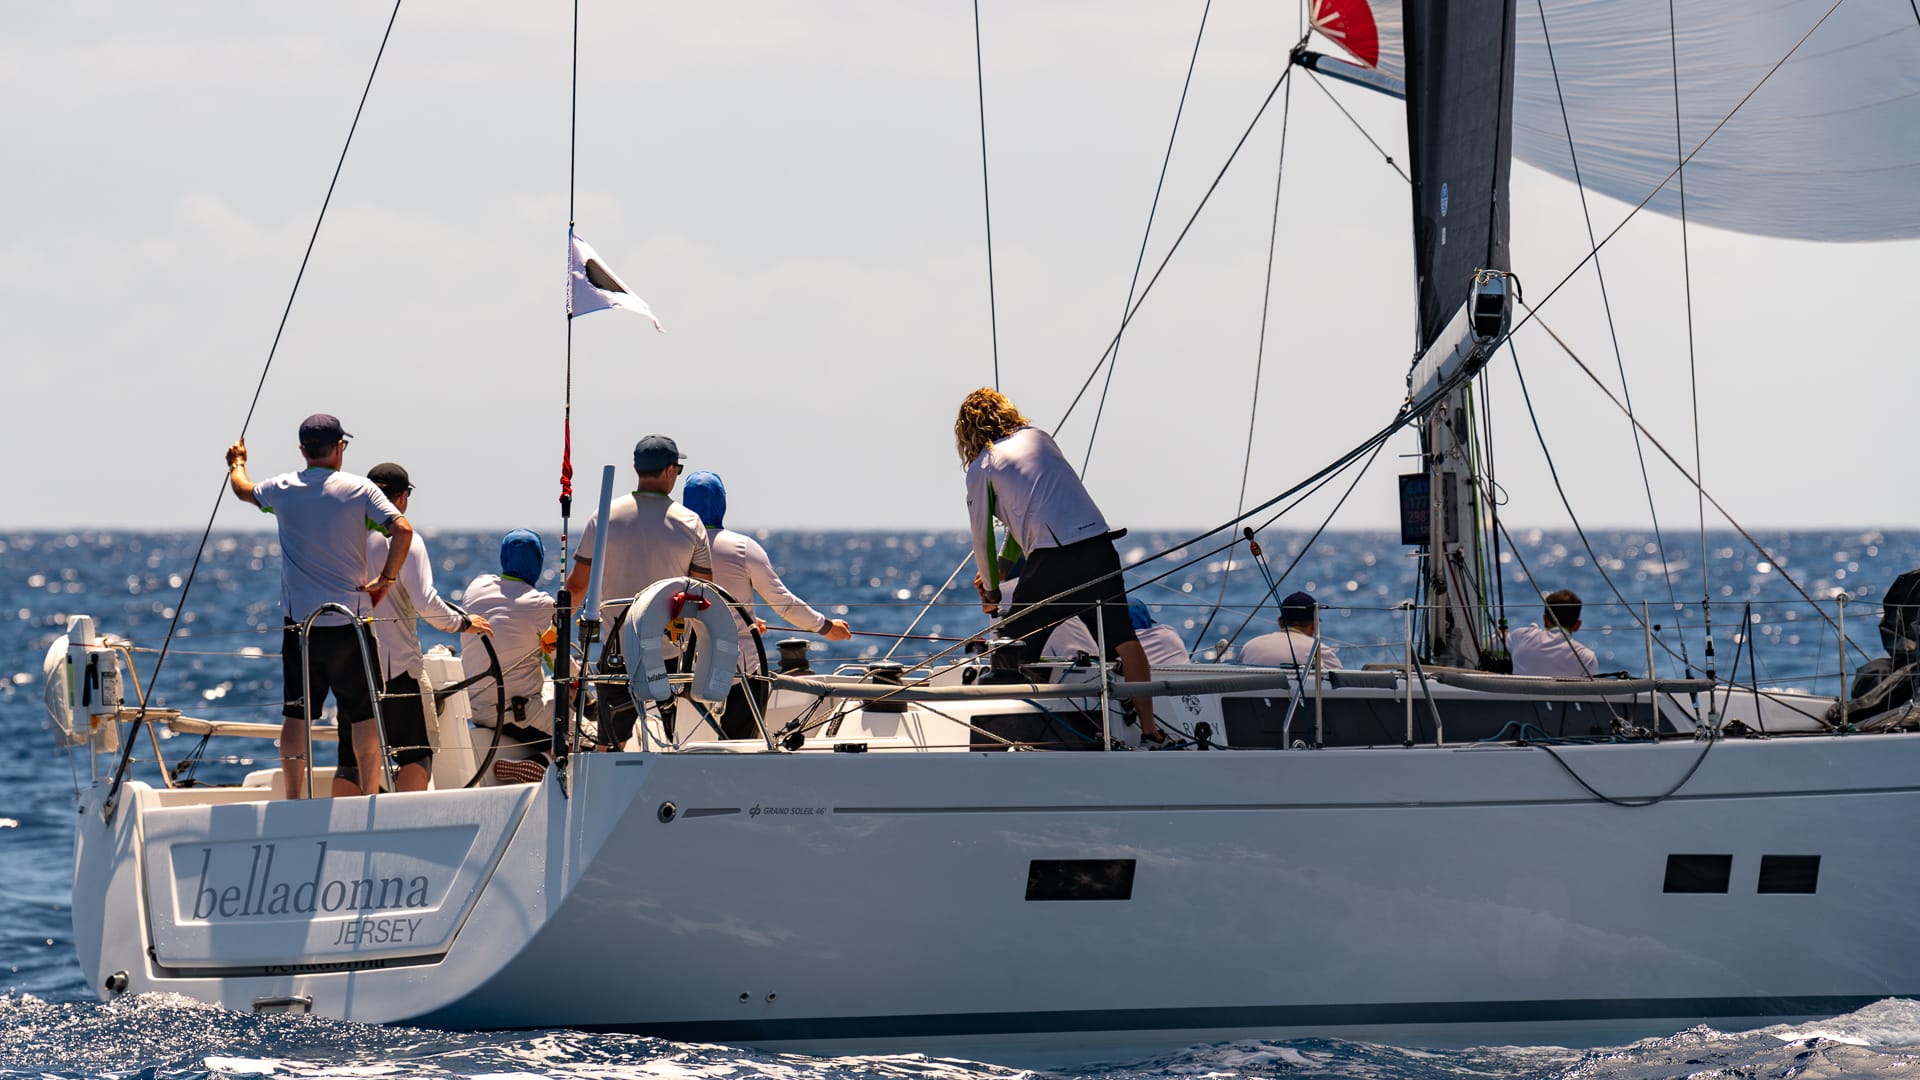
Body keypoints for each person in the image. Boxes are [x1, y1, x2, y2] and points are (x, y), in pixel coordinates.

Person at [955, 387, 1165, 743]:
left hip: (1053, 559)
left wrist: (991, 591)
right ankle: (1151, 731)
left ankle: (1006, 740)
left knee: (1010, 648)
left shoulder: (982, 466)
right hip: (1098, 545)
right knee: (1123, 640)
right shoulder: (1039, 438)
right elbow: (1037, 510)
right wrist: (1005, 565)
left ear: (968, 431)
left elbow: (982, 538)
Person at [224, 414, 413, 799]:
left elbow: (243, 490)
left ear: (302, 450)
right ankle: (369, 796)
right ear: (339, 447)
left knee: (296, 714)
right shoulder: (361, 489)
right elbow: (402, 530)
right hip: (351, 624)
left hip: (302, 627)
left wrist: (237, 462)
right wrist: (386, 580)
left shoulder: (282, 488)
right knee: (363, 715)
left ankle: (294, 799)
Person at [563, 435, 713, 748]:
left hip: (617, 651)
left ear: (636, 469)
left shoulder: (603, 517)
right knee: (677, 739)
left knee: (609, 743)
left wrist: (555, 629)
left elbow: (576, 588)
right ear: (670, 471)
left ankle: (606, 766)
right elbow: (704, 592)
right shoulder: (690, 522)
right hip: (670, 653)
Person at [681, 471, 851, 739]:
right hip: (741, 672)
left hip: (684, 670)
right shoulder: (742, 547)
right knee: (739, 749)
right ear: (723, 502)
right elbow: (783, 604)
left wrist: (744, 617)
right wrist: (826, 627)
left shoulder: (673, 548)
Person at [363, 463, 492, 793]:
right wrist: (463, 623)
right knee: (416, 754)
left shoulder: (346, 539)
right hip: (396, 669)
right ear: (402, 498)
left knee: (358, 756)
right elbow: (426, 603)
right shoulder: (405, 539)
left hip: (354, 668)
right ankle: (405, 818)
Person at [459, 529, 558, 784]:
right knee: (587, 734)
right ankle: (542, 762)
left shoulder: (476, 587)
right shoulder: (541, 604)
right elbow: (558, 661)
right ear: (538, 561)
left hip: (479, 710)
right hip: (518, 714)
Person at [1240, 591, 1344, 669]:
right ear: (1313, 626)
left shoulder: (1249, 646)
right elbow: (1342, 684)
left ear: (1280, 622)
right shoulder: (1319, 650)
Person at [1508, 589, 1598, 677]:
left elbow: (1500, 643)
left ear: (1545, 620)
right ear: (1577, 625)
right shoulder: (1587, 659)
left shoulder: (1519, 636)